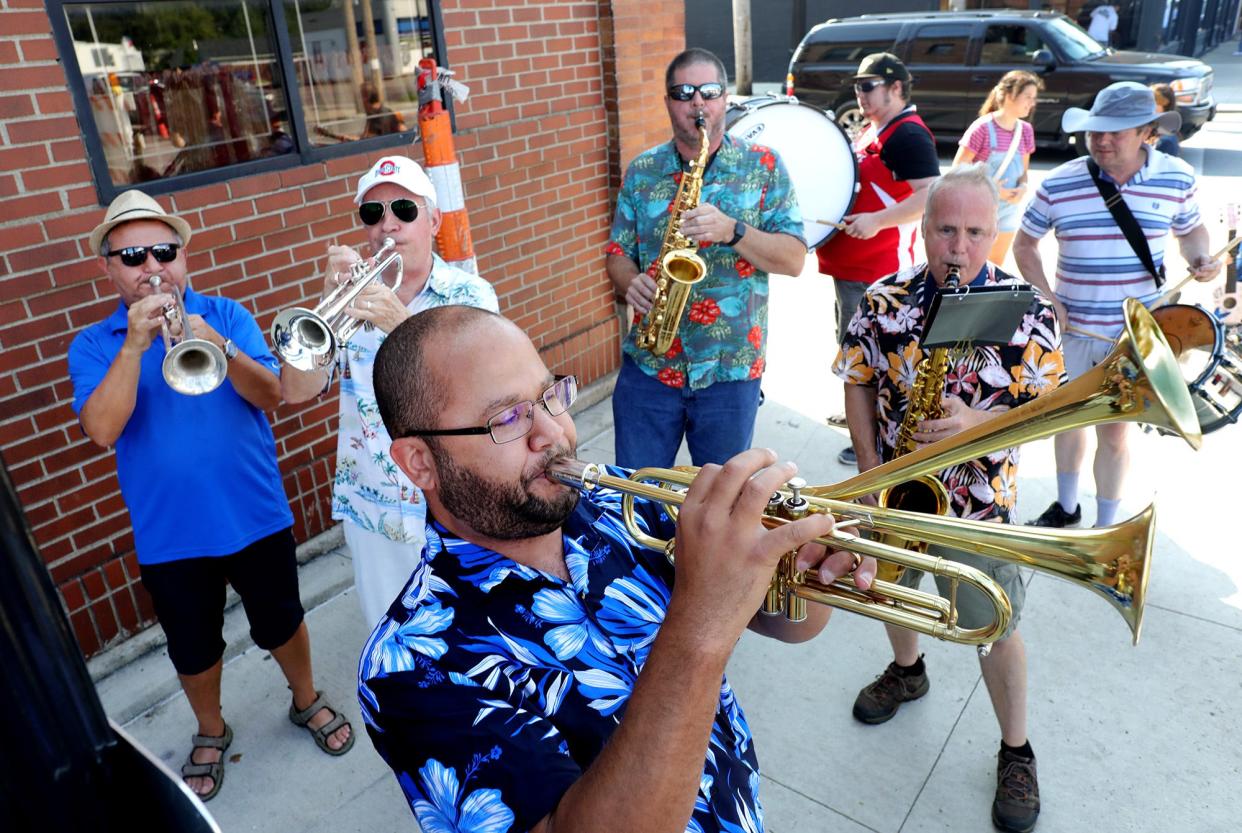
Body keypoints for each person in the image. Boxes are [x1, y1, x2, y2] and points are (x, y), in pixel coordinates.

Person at [358, 304, 876, 831]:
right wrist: (702, 625)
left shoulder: (618, 500)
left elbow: (788, 624)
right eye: (507, 418)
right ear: (419, 461)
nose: (552, 434)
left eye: (549, 396)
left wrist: (804, 569)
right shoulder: (408, 666)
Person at [67, 190, 354, 802]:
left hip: (254, 513)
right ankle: (211, 728)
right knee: (192, 646)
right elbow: (102, 429)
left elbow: (273, 395)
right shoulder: (95, 345)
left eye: (164, 251)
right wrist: (135, 346)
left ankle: (305, 700)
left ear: (183, 256)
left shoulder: (224, 313)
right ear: (109, 268)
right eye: (133, 256)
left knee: (282, 621)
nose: (152, 267)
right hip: (170, 533)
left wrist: (214, 342)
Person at [833, 165, 1065, 833]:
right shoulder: (883, 300)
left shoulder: (1027, 308)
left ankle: (1016, 748)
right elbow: (856, 378)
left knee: (995, 626)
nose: (957, 246)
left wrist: (977, 424)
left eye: (973, 232)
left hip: (978, 506)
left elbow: (1050, 409)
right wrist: (872, 467)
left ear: (993, 234)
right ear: (924, 228)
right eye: (945, 229)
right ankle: (909, 672)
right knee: (887, 592)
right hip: (895, 496)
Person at [281, 156, 498, 628]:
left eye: (404, 209)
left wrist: (398, 326)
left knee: (466, 632)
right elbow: (296, 391)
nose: (388, 226)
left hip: (454, 500)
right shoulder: (348, 302)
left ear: (434, 220)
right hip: (373, 504)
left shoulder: (473, 296)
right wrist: (323, 302)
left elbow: (480, 396)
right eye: (373, 214)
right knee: (392, 637)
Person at [1013, 82, 1220, 530]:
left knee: (1114, 432)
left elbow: (1191, 233)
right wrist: (1047, 298)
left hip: (1136, 337)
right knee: (1066, 421)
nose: (1102, 141)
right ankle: (1067, 507)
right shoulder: (1061, 182)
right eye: (1094, 132)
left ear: (1147, 131)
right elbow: (1025, 243)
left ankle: (1106, 530)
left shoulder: (1177, 177)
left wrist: (1200, 259)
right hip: (1072, 330)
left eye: (1116, 132)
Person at [605, 47, 806, 470]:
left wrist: (733, 231)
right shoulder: (643, 171)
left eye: (709, 91)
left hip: (729, 372)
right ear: (667, 102)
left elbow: (793, 259)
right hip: (650, 366)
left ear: (725, 99)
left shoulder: (764, 165)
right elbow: (618, 253)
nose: (697, 101)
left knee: (720, 502)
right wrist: (630, 282)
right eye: (684, 92)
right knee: (636, 494)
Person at [816, 52, 941, 466]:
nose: (860, 94)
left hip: (878, 271)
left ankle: (873, 437)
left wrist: (878, 220)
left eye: (868, 86)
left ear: (897, 88)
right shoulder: (876, 129)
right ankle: (861, 419)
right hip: (852, 267)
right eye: (857, 86)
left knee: (876, 358)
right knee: (855, 351)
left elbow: (929, 196)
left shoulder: (908, 135)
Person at [954, 70, 1042, 266]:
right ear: (1010, 95)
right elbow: (956, 172)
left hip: (1009, 209)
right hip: (978, 208)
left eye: (1034, 98)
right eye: (1028, 97)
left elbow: (1024, 173)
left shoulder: (1026, 131)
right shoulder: (982, 128)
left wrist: (1022, 189)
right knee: (971, 263)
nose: (1032, 103)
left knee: (995, 265)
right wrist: (992, 189)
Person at [1148, 83, 1181, 157]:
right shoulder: (1151, 130)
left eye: (1154, 102)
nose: (1147, 106)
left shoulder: (1166, 141)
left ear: (1165, 106)